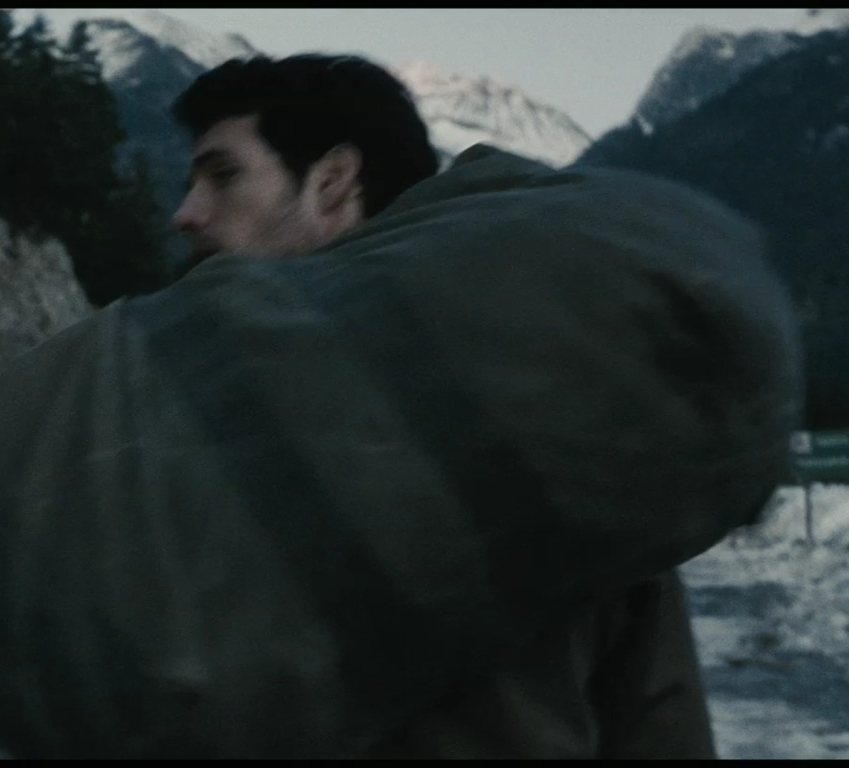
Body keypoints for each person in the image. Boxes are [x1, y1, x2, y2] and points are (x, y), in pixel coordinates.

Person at [168, 53, 717, 759]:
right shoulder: (563, 405)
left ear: (333, 183)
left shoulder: (212, 434)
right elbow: (661, 722)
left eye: (222, 176)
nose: (186, 214)